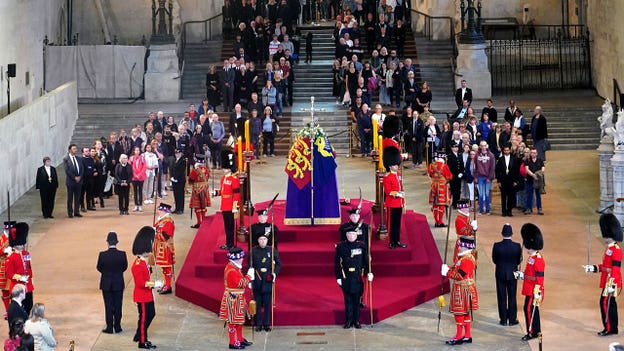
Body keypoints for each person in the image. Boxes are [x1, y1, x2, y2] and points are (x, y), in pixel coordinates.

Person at [584, 213, 623, 336]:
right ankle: (612, 327)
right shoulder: (609, 248)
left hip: (612, 282)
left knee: (605, 303)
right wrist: (594, 268)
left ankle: (609, 328)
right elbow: (605, 267)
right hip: (608, 280)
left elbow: (615, 269)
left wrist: (613, 284)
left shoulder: (616, 250)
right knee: (609, 304)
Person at [441, 236, 478, 345]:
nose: (459, 247)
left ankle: (458, 336)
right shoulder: (464, 258)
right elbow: (456, 268)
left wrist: (447, 273)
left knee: (459, 313)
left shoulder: (466, 260)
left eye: (461, 245)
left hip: (462, 289)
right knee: (466, 313)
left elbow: (459, 276)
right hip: (463, 288)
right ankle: (467, 335)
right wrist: (448, 268)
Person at [131, 226, 162, 350]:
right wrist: (154, 284)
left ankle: (139, 335)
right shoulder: (138, 264)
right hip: (142, 296)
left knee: (151, 314)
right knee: (144, 319)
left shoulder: (144, 261)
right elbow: (141, 283)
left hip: (147, 295)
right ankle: (142, 341)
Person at [335, 230, 372, 329]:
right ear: (346, 235)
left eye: (353, 234)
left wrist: (369, 272)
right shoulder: (341, 247)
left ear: (356, 235)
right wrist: (338, 277)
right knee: (347, 300)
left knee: (356, 301)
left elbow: (366, 261)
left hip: (357, 277)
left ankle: (356, 321)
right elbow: (337, 263)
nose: (351, 236)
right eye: (349, 234)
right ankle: (349, 320)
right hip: (346, 276)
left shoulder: (361, 246)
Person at [514, 223, 545, 341]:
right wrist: (522, 275)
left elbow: (539, 279)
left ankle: (531, 332)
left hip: (533, 290)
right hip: (529, 288)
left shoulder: (538, 260)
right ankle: (535, 330)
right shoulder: (532, 258)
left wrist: (538, 291)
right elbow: (529, 275)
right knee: (531, 310)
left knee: (528, 309)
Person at [219, 247, 254, 349]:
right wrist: (249, 276)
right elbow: (241, 283)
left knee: (239, 320)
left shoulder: (233, 267)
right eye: (241, 258)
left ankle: (239, 338)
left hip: (237, 297)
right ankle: (232, 342)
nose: (242, 259)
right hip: (233, 299)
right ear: (236, 259)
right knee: (233, 321)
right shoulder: (232, 270)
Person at [96, 231, 128, 334]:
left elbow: (99, 267)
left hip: (106, 284)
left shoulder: (102, 255)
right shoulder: (122, 254)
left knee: (108, 305)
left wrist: (106, 273)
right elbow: (124, 267)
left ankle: (109, 327)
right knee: (118, 305)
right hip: (118, 283)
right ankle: (117, 326)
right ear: (116, 242)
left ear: (108, 242)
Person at [492, 224, 522, 326]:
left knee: (501, 296)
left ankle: (503, 319)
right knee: (512, 296)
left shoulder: (497, 245)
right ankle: (512, 319)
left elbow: (494, 260)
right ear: (511, 234)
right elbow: (518, 261)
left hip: (500, 273)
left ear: (502, 234)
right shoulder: (517, 246)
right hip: (513, 273)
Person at [251, 234, 282, 332]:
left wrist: (274, 274)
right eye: (261, 239)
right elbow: (249, 266)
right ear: (258, 241)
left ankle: (266, 323)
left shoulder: (272, 251)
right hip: (257, 278)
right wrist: (250, 278)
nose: (263, 241)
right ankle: (259, 324)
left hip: (268, 278)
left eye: (264, 239)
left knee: (268, 303)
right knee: (258, 303)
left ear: (267, 240)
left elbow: (279, 264)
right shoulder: (253, 251)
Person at [213, 153, 241, 250]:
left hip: (231, 207)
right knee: (226, 226)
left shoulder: (234, 179)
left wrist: (235, 206)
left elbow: (237, 194)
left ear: (229, 169)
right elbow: (223, 191)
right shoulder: (222, 179)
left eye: (224, 168)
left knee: (230, 227)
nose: (223, 170)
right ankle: (228, 243)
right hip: (224, 205)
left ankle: (231, 244)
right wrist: (216, 193)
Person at [6, 223, 33, 317]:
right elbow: (9, 274)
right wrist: (21, 278)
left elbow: (29, 268)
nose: (22, 246)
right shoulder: (11, 257)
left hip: (28, 285)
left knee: (29, 305)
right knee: (19, 307)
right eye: (20, 244)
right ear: (15, 244)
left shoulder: (26, 253)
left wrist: (31, 280)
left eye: (22, 244)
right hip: (17, 286)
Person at [383, 146, 406, 249]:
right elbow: (388, 192)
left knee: (397, 224)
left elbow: (401, 187)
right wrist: (398, 194)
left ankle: (397, 240)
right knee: (391, 225)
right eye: (395, 165)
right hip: (392, 203)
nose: (397, 166)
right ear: (390, 166)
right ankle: (391, 242)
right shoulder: (387, 177)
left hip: (399, 203)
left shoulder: (399, 175)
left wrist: (403, 198)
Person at [153, 203, 175, 295]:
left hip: (165, 248)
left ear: (165, 211)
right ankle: (166, 284)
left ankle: (168, 286)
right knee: (164, 268)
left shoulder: (168, 222)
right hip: (160, 247)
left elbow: (165, 237)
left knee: (167, 268)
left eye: (160, 210)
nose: (159, 212)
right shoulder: (161, 220)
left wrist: (154, 233)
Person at [428, 153, 452, 228]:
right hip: (442, 187)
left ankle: (436, 221)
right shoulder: (444, 166)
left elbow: (430, 174)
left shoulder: (431, 165)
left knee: (435, 204)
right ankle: (440, 221)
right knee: (441, 204)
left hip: (434, 186)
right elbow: (449, 177)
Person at [496, 145, 520, 217]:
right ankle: (503, 211)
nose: (506, 151)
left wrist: (516, 181)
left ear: (510, 150)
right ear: (503, 151)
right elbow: (497, 171)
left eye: (508, 150)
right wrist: (499, 181)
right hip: (503, 181)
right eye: (505, 150)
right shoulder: (500, 159)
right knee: (503, 197)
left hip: (511, 181)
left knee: (510, 196)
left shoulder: (514, 159)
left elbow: (516, 171)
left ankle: (509, 211)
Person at [188, 155, 211, 228]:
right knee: (203, 206)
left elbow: (191, 180)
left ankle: (199, 222)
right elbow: (208, 178)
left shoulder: (195, 170)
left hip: (197, 189)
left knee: (197, 207)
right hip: (204, 188)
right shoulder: (206, 169)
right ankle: (204, 221)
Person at [63, 144, 84, 218]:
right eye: (74, 149)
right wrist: (74, 177)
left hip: (79, 181)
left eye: (76, 148)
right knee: (70, 198)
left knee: (77, 197)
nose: (75, 150)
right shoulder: (66, 159)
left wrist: (80, 177)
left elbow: (82, 169)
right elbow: (67, 170)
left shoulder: (78, 158)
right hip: (71, 181)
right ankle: (70, 212)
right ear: (70, 150)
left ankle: (76, 211)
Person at [474, 141, 495, 215]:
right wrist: (475, 177)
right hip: (480, 177)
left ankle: (487, 210)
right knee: (481, 194)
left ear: (487, 146)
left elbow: (492, 168)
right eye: (482, 146)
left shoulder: (491, 155)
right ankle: (480, 209)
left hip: (488, 177)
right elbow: (475, 167)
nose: (483, 147)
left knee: (486, 194)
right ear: (480, 146)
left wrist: (490, 177)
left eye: (484, 145)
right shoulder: (477, 155)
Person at [524, 148, 545, 215]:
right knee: (529, 195)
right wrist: (533, 175)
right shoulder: (527, 160)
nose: (533, 154)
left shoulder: (540, 160)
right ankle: (528, 208)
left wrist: (538, 174)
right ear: (530, 153)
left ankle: (539, 209)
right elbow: (527, 169)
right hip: (530, 180)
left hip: (538, 181)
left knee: (538, 195)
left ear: (537, 153)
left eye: (534, 152)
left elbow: (543, 168)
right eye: (532, 152)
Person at [0, 222, 13, 319]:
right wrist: (4, 251)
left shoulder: (14, 238)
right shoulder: (1, 239)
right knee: (5, 290)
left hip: (12, 265)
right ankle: (8, 310)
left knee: (13, 289)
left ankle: (14, 309)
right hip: (3, 266)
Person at [129, 146, 147, 212]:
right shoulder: (131, 158)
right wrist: (134, 175)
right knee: (135, 192)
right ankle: (136, 205)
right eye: (136, 150)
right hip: (134, 177)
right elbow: (130, 167)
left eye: (138, 150)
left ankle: (140, 205)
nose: (137, 152)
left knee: (140, 191)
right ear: (134, 151)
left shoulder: (142, 158)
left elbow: (144, 167)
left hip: (141, 177)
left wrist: (139, 175)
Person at [447, 143, 464, 208]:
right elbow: (450, 167)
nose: (456, 148)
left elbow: (461, 164)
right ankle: (454, 203)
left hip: (459, 175)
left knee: (458, 189)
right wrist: (453, 174)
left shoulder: (459, 155)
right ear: (451, 148)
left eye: (457, 147)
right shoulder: (450, 156)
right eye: (454, 147)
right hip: (453, 176)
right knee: (454, 190)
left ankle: (457, 202)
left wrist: (461, 172)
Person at [170, 149, 187, 214]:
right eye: (176, 153)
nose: (176, 155)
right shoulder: (174, 160)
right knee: (176, 194)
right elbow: (172, 168)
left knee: (180, 194)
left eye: (178, 153)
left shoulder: (183, 160)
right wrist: (172, 177)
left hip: (180, 180)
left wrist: (176, 177)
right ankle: (177, 208)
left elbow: (181, 170)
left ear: (180, 153)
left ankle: (181, 209)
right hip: (174, 180)